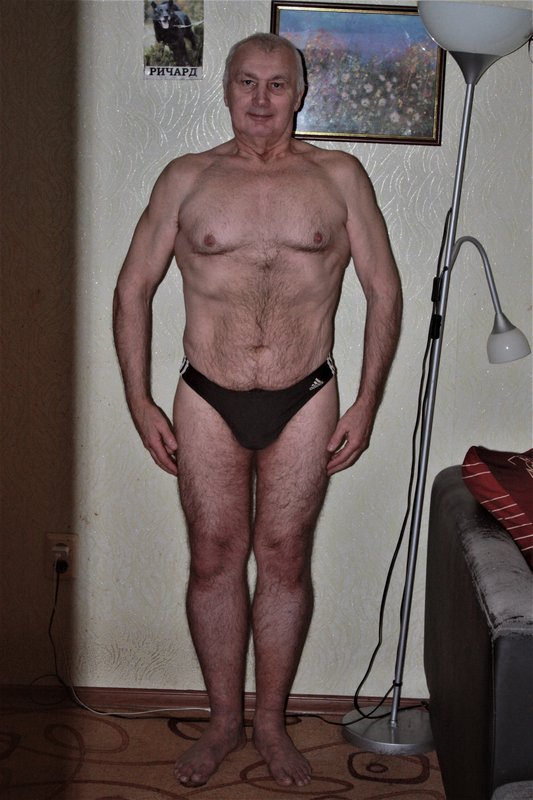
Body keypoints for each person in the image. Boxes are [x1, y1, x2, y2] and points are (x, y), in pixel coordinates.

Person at [113, 32, 402, 789]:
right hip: (206, 394)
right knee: (213, 559)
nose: (262, 99)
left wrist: (368, 400)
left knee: (284, 559)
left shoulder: (339, 177)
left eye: (277, 84)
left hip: (306, 395)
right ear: (226, 89)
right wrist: (138, 398)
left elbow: (384, 290)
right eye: (247, 82)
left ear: (300, 93)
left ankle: (269, 724)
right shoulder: (187, 178)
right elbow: (132, 287)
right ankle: (221, 722)